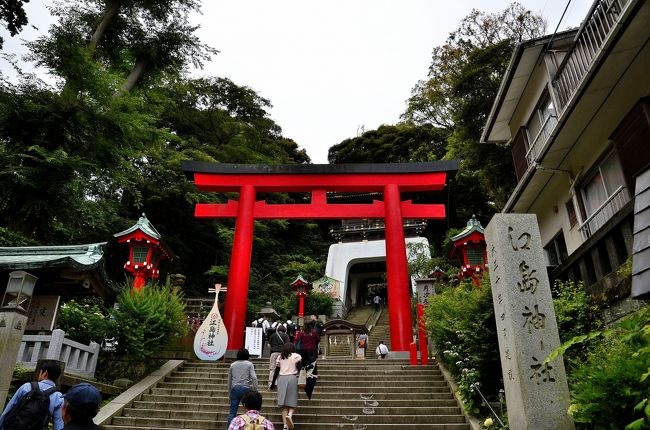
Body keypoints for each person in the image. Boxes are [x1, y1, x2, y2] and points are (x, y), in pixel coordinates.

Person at [0, 360, 64, 430]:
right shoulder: (58, 397)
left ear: (45, 373)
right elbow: (58, 424)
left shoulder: (26, 386)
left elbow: (9, 409)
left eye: (40, 372)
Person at [227, 348, 259, 427]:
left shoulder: (233, 365)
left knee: (232, 413)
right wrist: (256, 389)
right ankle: (249, 427)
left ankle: (230, 427)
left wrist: (229, 392)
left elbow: (229, 380)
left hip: (235, 389)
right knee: (249, 411)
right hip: (245, 389)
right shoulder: (249, 364)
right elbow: (254, 378)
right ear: (247, 355)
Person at [275, 343, 302, 430]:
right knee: (292, 399)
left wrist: (272, 383)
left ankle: (285, 426)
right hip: (292, 378)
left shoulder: (280, 357)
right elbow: (300, 366)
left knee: (283, 404)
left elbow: (277, 369)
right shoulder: (296, 356)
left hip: (282, 379)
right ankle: (290, 415)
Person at [268, 324, 289, 389]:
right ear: (284, 330)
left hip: (274, 353)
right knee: (283, 368)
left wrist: (272, 349)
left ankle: (271, 383)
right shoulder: (286, 336)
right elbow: (287, 345)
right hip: (282, 354)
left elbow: (269, 345)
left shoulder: (273, 335)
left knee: (272, 369)